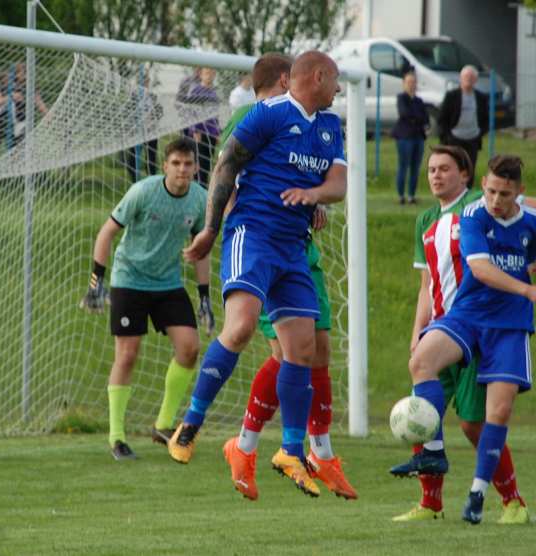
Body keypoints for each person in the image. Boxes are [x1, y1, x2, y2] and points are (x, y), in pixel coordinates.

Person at [167, 51, 347, 499]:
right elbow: (226, 164)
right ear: (318, 76)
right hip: (254, 233)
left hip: (293, 248)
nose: (340, 90)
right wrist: (211, 228)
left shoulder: (329, 127)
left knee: (301, 350)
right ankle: (192, 419)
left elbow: (339, 184)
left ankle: (290, 450)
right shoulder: (267, 114)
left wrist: (314, 195)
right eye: (336, 81)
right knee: (242, 325)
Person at [215, 53, 358, 501]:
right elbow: (228, 174)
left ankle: (319, 452)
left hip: (300, 250)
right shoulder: (254, 116)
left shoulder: (319, 123)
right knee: (286, 351)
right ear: (284, 79)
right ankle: (248, 445)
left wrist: (314, 201)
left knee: (318, 349)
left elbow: (315, 174)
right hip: (261, 250)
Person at [390, 145, 536, 524]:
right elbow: (427, 283)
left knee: (472, 423)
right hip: (449, 324)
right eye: (431, 168)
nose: (435, 175)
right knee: (422, 402)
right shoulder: (426, 221)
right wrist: (419, 329)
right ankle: (430, 502)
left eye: (445, 169)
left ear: (467, 177)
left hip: (486, 326)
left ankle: (510, 500)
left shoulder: (478, 209)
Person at [79, 137, 215, 460]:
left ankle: (164, 425)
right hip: (129, 280)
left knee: (190, 348)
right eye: (176, 163)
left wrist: (205, 297)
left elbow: (201, 249)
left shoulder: (200, 200)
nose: (182, 169)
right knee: (127, 354)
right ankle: (116, 437)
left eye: (188, 164)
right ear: (165, 165)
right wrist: (95, 283)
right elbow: (106, 233)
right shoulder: (143, 191)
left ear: (196, 167)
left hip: (167, 282)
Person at [438, 65, 488, 188]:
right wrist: (446, 138)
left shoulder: (481, 97)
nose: (468, 79)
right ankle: (452, 190)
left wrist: (480, 132)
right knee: (453, 166)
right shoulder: (452, 96)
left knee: (470, 168)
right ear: (461, 78)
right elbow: (442, 119)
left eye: (471, 77)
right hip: (454, 138)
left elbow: (485, 119)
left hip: (472, 138)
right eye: (466, 77)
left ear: (475, 80)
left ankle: (467, 193)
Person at [391, 71, 429, 205]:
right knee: (403, 166)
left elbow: (425, 118)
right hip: (404, 137)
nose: (412, 85)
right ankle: (401, 196)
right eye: (409, 82)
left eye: (414, 82)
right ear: (404, 84)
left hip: (418, 137)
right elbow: (404, 113)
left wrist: (416, 119)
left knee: (415, 167)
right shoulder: (401, 98)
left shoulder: (419, 101)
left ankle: (411, 196)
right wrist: (417, 118)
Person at [188, 68, 221, 185]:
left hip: (211, 134)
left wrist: (217, 133)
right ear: (201, 75)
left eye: (212, 73)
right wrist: (195, 130)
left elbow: (215, 115)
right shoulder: (196, 91)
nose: (210, 76)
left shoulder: (213, 93)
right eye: (207, 73)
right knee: (198, 163)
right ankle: (196, 186)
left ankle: (203, 188)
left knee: (207, 163)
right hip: (200, 133)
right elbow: (192, 112)